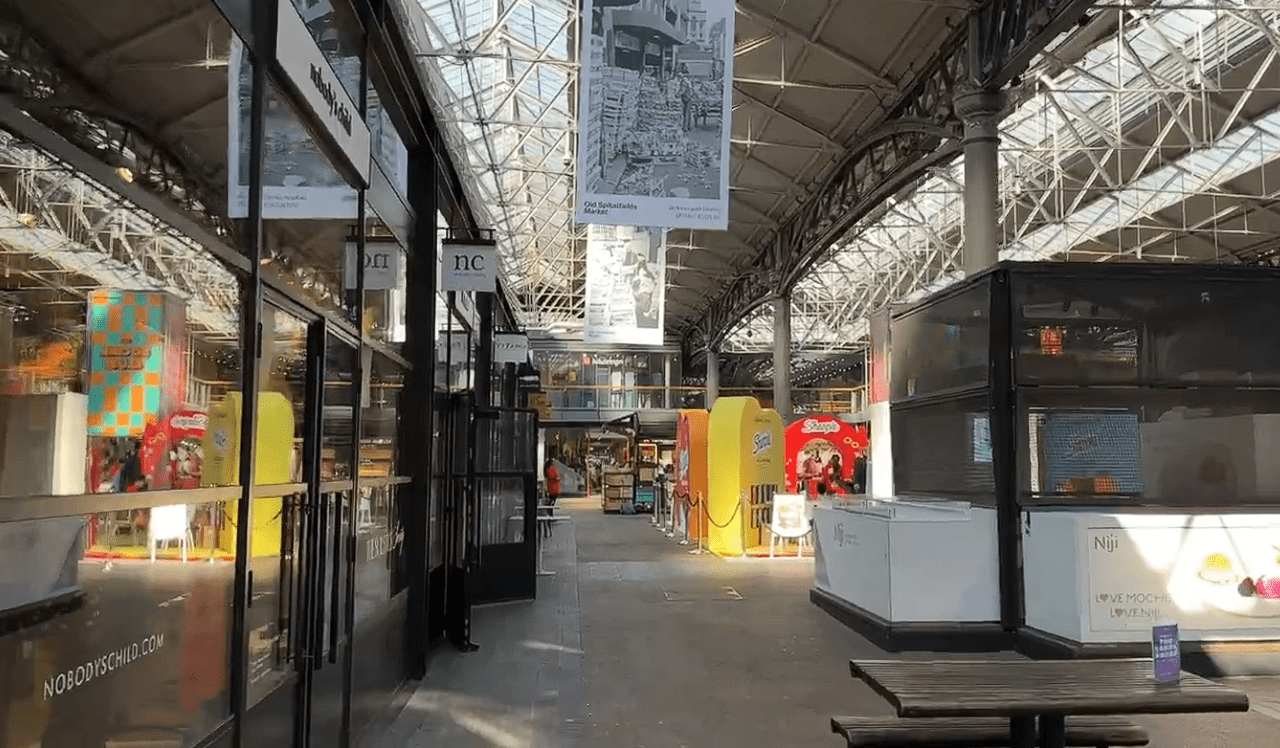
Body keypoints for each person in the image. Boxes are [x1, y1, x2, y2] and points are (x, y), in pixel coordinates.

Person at [677, 64, 694, 132]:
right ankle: (689, 126)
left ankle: (685, 127)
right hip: (688, 98)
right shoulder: (687, 81)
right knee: (688, 113)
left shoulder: (684, 82)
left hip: (687, 98)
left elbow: (682, 90)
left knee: (686, 113)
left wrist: (677, 94)